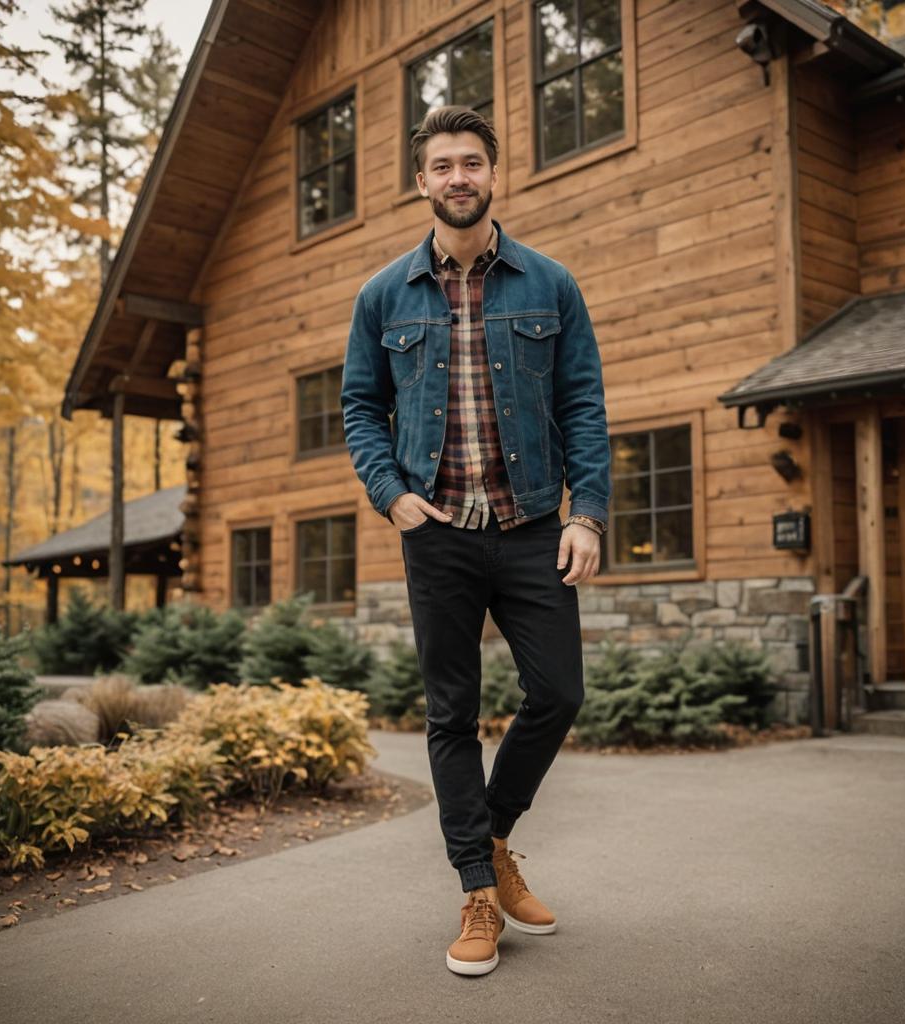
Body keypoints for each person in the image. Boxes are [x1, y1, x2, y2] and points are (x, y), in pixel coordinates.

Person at [341, 105, 610, 976]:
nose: (458, 177)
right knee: (450, 714)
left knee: (559, 693)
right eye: (442, 165)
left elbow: (583, 407)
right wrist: (392, 495)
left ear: (495, 174)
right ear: (421, 182)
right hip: (440, 534)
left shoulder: (551, 283)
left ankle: (490, 839)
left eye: (472, 163)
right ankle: (477, 893)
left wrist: (588, 513)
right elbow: (359, 407)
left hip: (534, 525)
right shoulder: (384, 294)